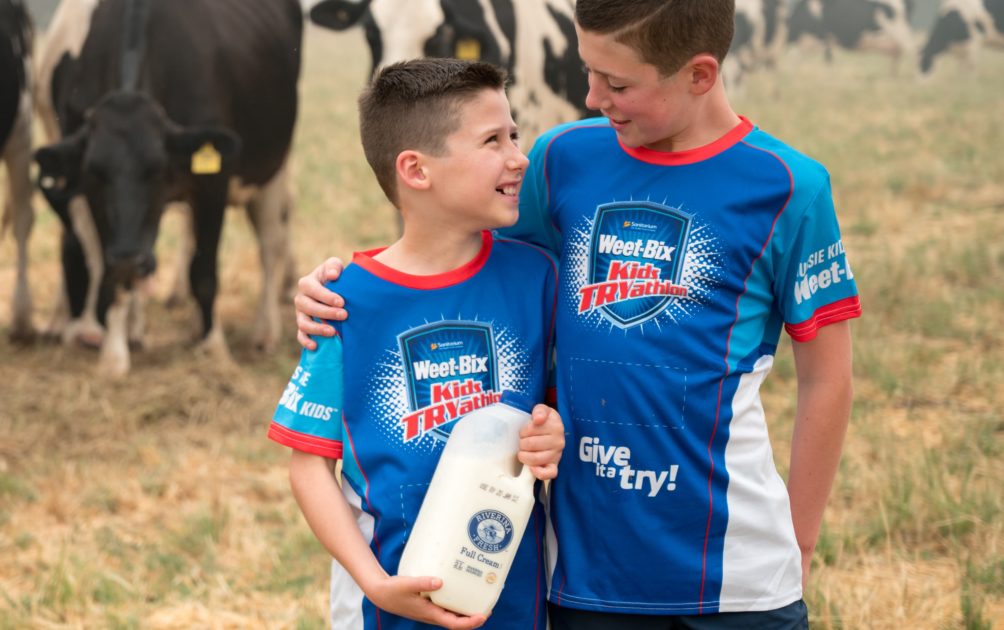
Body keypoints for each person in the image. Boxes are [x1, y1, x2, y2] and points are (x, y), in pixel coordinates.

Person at [294, 1, 860, 628]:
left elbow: (828, 378)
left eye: (617, 84)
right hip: (581, 579)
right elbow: (463, 263)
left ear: (699, 75)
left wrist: (800, 543)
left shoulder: (789, 186)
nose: (591, 97)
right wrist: (341, 287)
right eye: (588, 71)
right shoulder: (564, 159)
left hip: (740, 572)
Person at [269, 58, 567, 630]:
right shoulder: (343, 300)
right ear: (416, 170)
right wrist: (375, 585)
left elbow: (556, 410)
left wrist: (551, 433)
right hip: (385, 607)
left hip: (514, 604)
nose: (517, 157)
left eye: (515, 135)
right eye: (491, 140)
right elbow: (309, 465)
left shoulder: (538, 279)